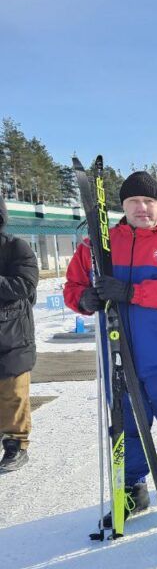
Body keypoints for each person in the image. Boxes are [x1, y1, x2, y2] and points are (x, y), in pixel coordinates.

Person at [65, 171, 157, 521]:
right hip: (119, 352)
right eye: (134, 202)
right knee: (126, 425)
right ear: (123, 205)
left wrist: (132, 293)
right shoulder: (99, 245)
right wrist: (85, 298)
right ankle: (133, 488)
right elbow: (73, 285)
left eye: (149, 201)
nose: (142, 208)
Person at [0, 194, 38, 474]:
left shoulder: (16, 247)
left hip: (12, 334)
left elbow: (24, 285)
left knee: (13, 393)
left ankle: (16, 444)